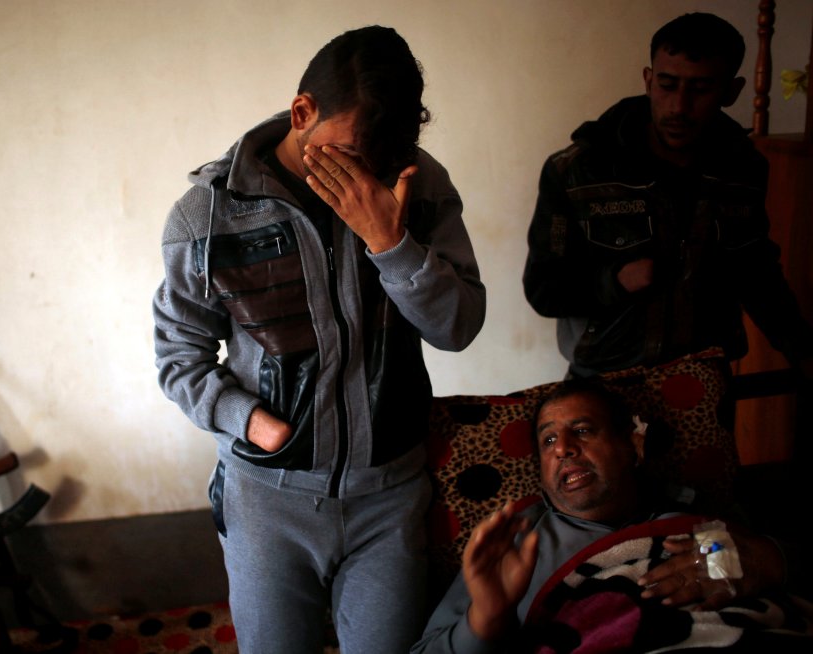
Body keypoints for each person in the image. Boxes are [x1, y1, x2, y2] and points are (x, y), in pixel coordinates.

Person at [152, 26, 485, 654]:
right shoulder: (206, 215)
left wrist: (392, 244)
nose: (367, 172)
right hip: (265, 501)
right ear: (303, 112)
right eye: (353, 150)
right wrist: (251, 423)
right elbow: (179, 358)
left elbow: (459, 327)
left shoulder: (418, 182)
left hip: (390, 499)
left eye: (385, 154)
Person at [411, 380, 810, 653]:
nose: (562, 448)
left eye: (583, 430)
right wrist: (485, 618)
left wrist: (768, 560)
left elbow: (780, 590)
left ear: (632, 447)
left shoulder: (700, 522)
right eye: (548, 439)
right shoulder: (512, 542)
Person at [523, 12, 813, 378]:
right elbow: (543, 289)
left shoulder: (743, 170)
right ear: (648, 81)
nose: (679, 106)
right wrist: (615, 280)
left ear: (731, 91)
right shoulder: (575, 171)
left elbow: (757, 273)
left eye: (700, 89)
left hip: (705, 383)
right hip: (605, 387)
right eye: (667, 84)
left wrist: (801, 350)